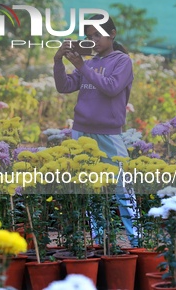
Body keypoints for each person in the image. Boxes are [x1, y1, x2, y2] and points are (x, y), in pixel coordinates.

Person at [53, 14, 138, 247]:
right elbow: (65, 86)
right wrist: (58, 61)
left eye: (98, 35)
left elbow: (111, 88)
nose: (94, 41)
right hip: (81, 132)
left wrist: (81, 65)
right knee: (91, 188)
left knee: (122, 186)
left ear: (112, 34)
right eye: (89, 37)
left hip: (109, 132)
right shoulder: (89, 63)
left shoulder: (122, 61)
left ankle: (137, 239)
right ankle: (99, 240)